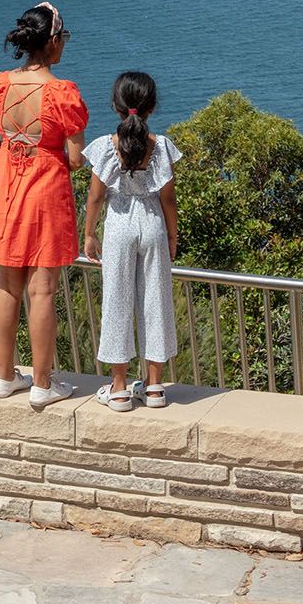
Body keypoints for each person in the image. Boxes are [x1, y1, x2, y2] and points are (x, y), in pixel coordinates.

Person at [0, 1, 88, 409]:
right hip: (46, 196)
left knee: (7, 287)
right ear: (53, 41)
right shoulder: (62, 93)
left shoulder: (1, 84)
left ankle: (4, 377)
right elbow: (75, 158)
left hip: (7, 193)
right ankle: (42, 383)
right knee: (42, 291)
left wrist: (17, 151)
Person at [81, 71, 180, 412]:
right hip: (152, 222)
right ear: (151, 107)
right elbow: (168, 198)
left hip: (119, 224)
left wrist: (89, 232)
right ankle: (154, 388)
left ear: (116, 106)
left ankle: (120, 388)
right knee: (156, 300)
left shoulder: (106, 147)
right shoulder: (161, 146)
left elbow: (95, 197)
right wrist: (172, 235)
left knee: (117, 301)